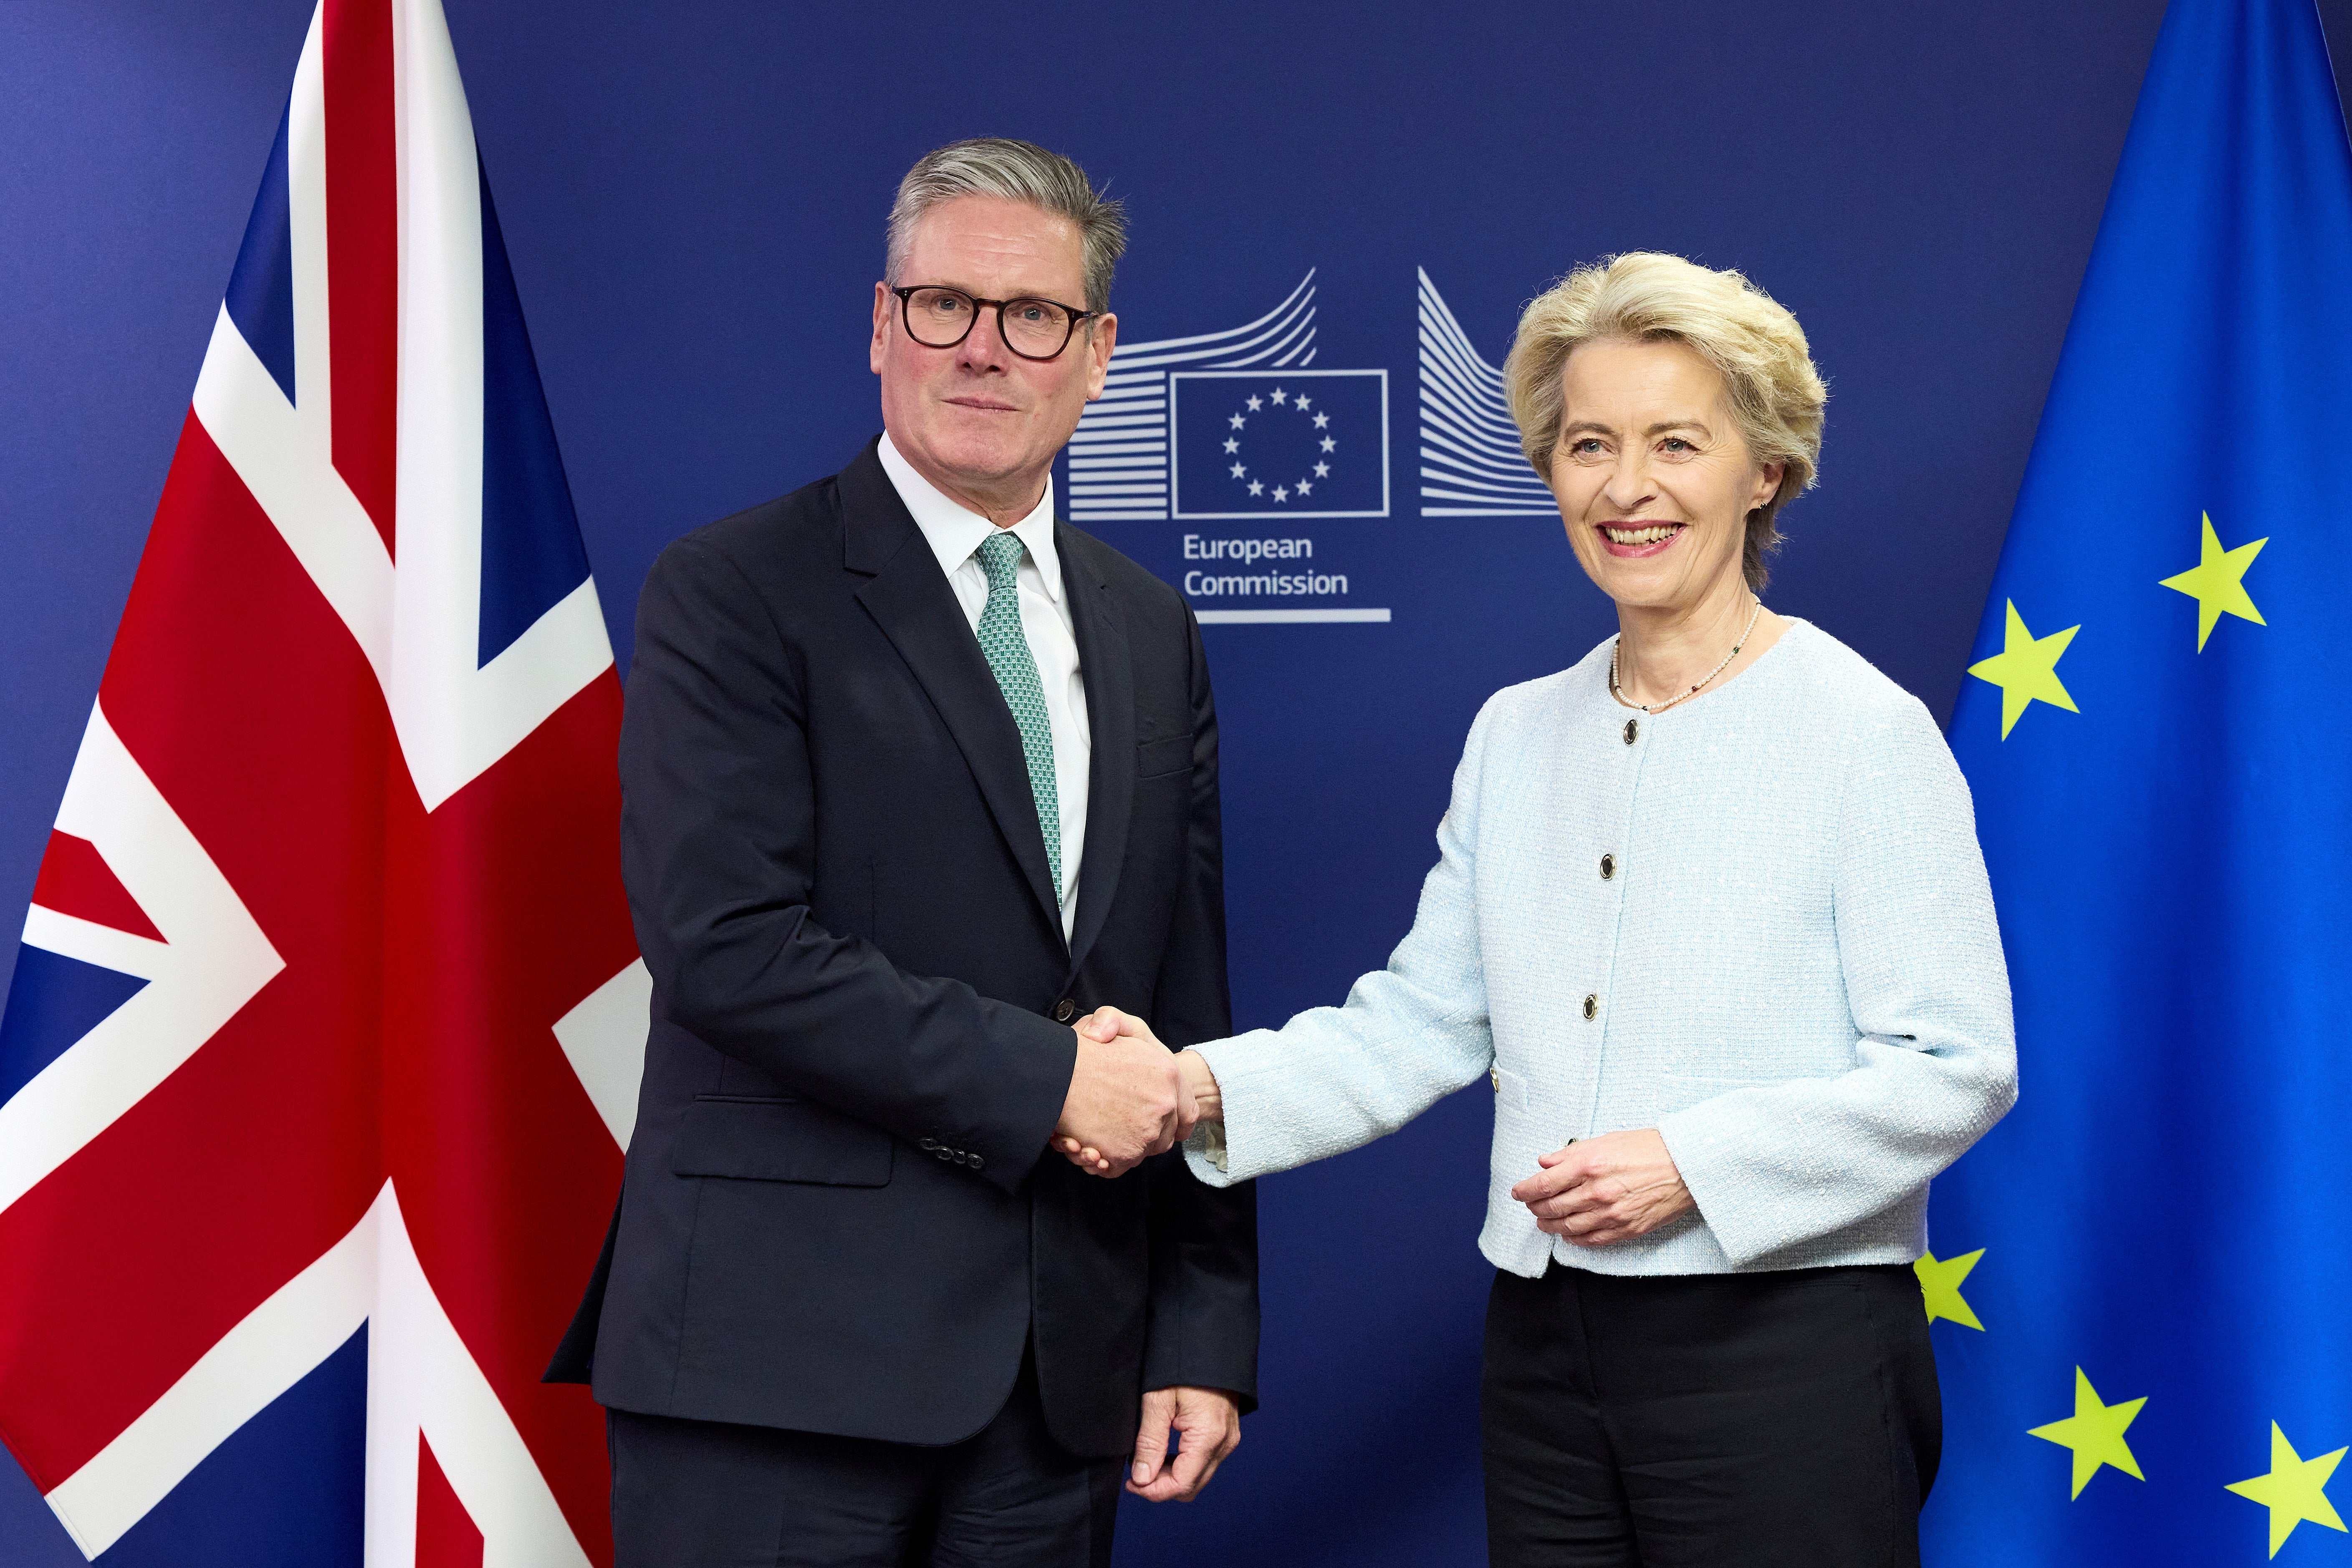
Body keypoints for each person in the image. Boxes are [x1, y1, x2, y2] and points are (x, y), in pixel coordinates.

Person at [1068, 252, 2018, 1567]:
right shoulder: (1516, 733)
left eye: (1675, 442)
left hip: (1785, 1351)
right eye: (1587, 444)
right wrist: (1188, 1089)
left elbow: (1956, 1069)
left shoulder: (1863, 732)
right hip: (1543, 1344)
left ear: (1764, 471)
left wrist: (1690, 1164)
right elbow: (1421, 1020)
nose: (1624, 488)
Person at [547, 138, 1256, 1568]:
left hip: (1061, 1375)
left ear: (1099, 352)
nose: (983, 350)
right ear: (882, 325)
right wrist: (1052, 1078)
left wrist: (1199, 1323)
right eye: (944, 306)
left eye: (1032, 316)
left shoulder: (1145, 628)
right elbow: (727, 949)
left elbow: (1181, 998)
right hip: (776, 1367)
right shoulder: (736, 590)